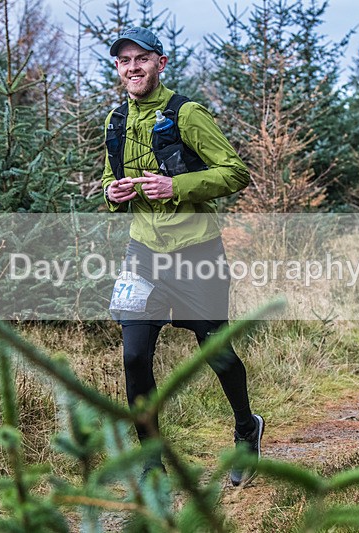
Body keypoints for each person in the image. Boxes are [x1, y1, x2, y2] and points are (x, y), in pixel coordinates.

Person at [102, 27, 264, 486]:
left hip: (197, 253)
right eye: (124, 61)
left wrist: (177, 186)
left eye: (141, 59)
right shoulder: (115, 120)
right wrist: (111, 192)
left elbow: (235, 172)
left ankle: (245, 427)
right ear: (118, 69)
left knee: (216, 351)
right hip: (142, 254)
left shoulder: (187, 114)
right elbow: (106, 179)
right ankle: (151, 463)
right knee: (134, 357)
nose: (132, 68)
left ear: (161, 63)